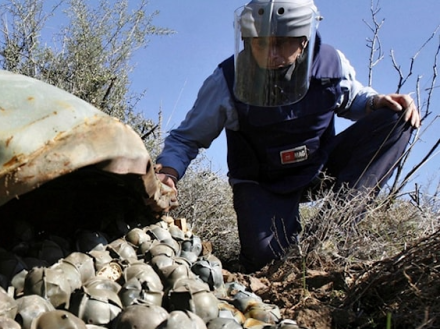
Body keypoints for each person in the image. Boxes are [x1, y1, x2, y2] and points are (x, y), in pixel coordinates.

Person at [155, 0, 421, 273]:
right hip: (263, 181)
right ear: (247, 38)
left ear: (304, 39)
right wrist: (170, 173)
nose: (271, 54)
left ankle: (330, 233)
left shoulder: (331, 63)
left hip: (318, 167)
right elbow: (186, 139)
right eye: (261, 43)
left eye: (282, 43)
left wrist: (376, 101)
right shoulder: (226, 81)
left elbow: (351, 97)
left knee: (398, 117)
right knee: (266, 263)